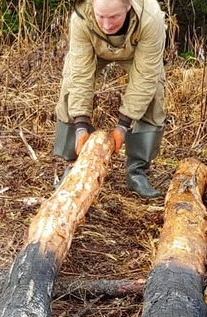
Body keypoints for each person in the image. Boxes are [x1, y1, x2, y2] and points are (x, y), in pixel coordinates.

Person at [54, 0, 167, 198]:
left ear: (129, 6)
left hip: (135, 49)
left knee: (153, 92)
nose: (106, 25)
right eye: (101, 16)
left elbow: (145, 78)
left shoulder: (151, 18)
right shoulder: (80, 18)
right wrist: (80, 124)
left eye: (114, 17)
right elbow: (80, 75)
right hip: (94, 47)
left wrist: (123, 125)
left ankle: (137, 173)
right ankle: (72, 166)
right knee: (69, 88)